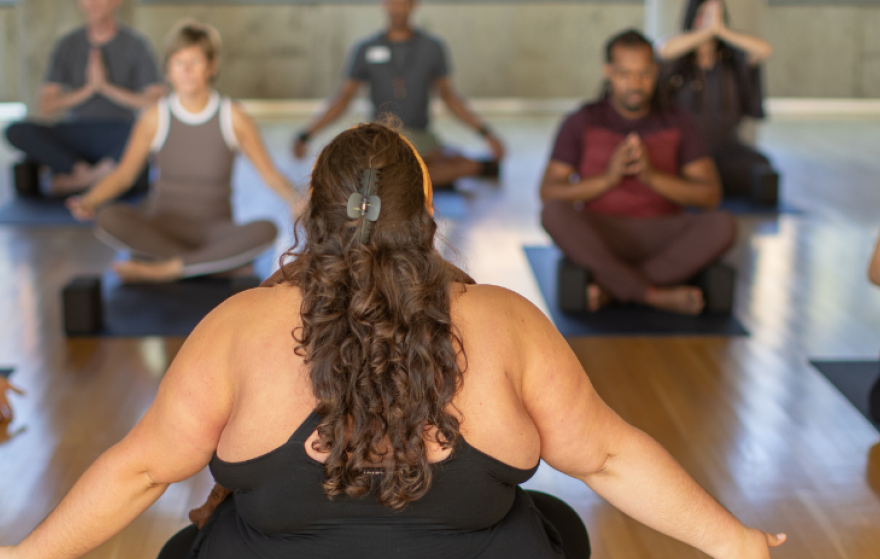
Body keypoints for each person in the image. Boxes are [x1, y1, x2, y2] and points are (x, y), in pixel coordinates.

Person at [0, 122, 791, 559]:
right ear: (427, 210)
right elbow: (608, 457)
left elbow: (141, 469)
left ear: (313, 211)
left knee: (184, 556)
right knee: (558, 524)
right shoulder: (505, 322)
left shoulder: (239, 325)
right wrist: (730, 542)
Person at [66, 21, 296, 283]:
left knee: (267, 230)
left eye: (194, 61)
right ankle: (211, 263)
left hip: (216, 232)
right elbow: (123, 176)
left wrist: (299, 201)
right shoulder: (154, 118)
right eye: (178, 61)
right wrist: (90, 200)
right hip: (163, 229)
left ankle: (166, 269)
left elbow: (270, 176)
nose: (186, 70)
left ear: (212, 67)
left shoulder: (234, 117)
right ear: (168, 70)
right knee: (109, 218)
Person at [540, 29, 734, 316]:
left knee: (724, 225)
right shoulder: (582, 120)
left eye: (644, 73)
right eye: (624, 74)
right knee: (553, 213)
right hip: (603, 233)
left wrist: (652, 177)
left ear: (655, 72)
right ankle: (652, 295)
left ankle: (612, 289)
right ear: (608, 72)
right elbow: (548, 192)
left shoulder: (678, 121)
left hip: (662, 232)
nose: (635, 83)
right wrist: (608, 178)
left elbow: (710, 195)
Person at [292, 0, 505, 189]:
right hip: (383, 139)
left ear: (414, 4)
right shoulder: (366, 48)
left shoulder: (432, 48)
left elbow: (450, 97)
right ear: (384, 3)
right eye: (393, 1)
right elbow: (343, 99)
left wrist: (487, 133)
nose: (398, 6)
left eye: (404, 1)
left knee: (450, 165)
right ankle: (426, 176)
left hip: (421, 137)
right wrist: (306, 134)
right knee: (368, 169)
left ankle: (461, 168)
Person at [5, 0, 164, 197]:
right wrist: (88, 89)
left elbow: (157, 102)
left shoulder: (136, 44)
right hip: (77, 130)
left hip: (119, 131)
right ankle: (90, 175)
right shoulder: (68, 44)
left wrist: (106, 88)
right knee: (15, 130)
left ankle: (80, 182)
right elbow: (46, 105)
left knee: (146, 132)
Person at [656, 0, 778, 206]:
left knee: (762, 169)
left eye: (714, 15)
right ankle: (702, 186)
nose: (709, 21)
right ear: (692, 17)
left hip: (726, 149)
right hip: (686, 153)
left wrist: (721, 31)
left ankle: (704, 187)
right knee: (665, 168)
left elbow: (764, 50)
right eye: (703, 15)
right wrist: (706, 31)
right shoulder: (678, 60)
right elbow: (662, 49)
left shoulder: (732, 59)